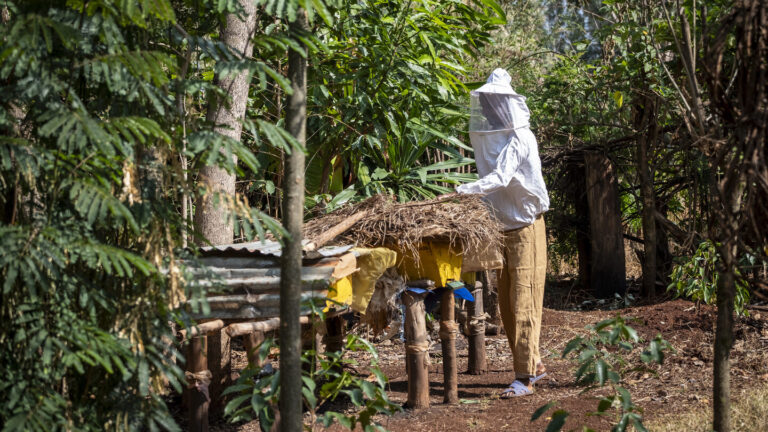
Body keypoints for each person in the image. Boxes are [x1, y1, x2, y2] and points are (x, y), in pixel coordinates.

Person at [455, 68, 550, 397]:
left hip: (527, 228)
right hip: (502, 229)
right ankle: (533, 363)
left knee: (524, 300)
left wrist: (463, 190)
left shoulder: (521, 137)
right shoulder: (497, 139)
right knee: (507, 306)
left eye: (497, 103)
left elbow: (501, 177)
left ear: (508, 105)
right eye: (489, 103)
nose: (492, 109)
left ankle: (525, 378)